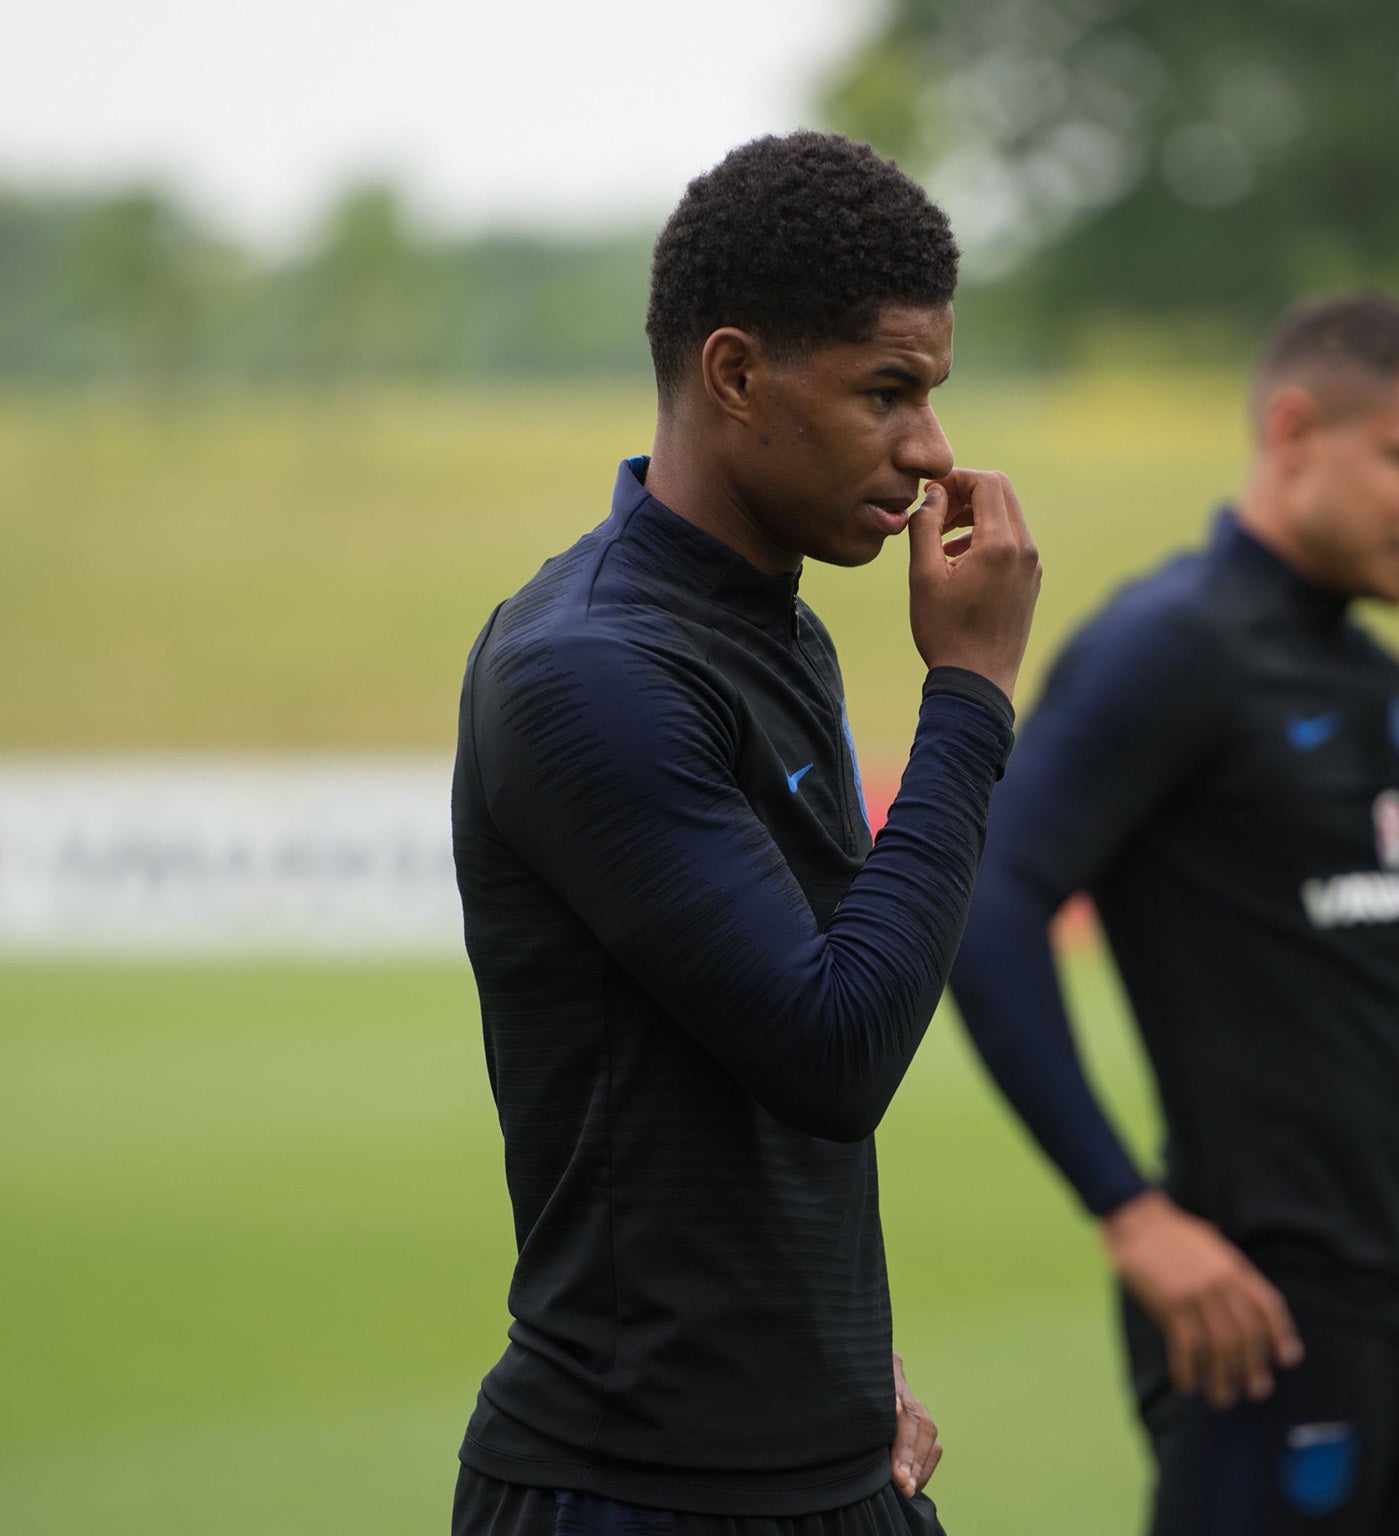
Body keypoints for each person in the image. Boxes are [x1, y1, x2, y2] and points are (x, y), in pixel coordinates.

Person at [949, 290, 1399, 1534]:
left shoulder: (1363, 676)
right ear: (1296, 433)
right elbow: (984, 900)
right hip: (1262, 1322)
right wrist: (1128, 1212)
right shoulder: (1171, 646)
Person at [448, 131, 1040, 1536]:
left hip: (834, 1471)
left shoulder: (776, 632)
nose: (932, 451)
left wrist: (831, 1374)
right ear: (733, 375)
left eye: (935, 394)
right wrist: (967, 697)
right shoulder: (588, 669)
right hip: (631, 1493)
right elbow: (832, 1051)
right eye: (886, 391)